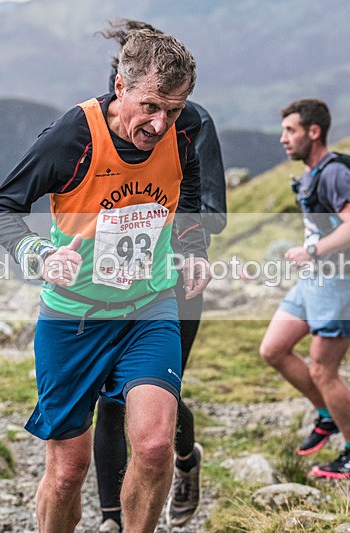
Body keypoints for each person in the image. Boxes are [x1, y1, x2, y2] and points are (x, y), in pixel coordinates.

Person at [0, 28, 210, 533]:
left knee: (153, 448)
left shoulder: (185, 128)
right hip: (75, 316)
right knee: (68, 472)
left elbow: (188, 185)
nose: (160, 123)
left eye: (172, 110)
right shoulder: (73, 137)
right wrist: (38, 253)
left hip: (148, 308)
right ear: (120, 85)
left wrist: (191, 247)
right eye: (150, 106)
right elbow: (0, 208)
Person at [92, 19, 227, 533]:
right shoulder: (102, 118)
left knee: (156, 399)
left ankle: (185, 458)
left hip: (174, 281)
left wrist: (154, 219)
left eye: (164, 107)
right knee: (107, 393)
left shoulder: (194, 123)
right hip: (110, 279)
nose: (150, 121)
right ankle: (110, 520)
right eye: (124, 93)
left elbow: (213, 213)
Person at [259, 98, 350, 479]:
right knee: (274, 349)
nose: (283, 139)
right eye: (283, 131)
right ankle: (326, 415)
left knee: (325, 371)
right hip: (314, 281)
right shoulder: (312, 172)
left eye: (290, 130)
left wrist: (312, 251)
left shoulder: (334, 173)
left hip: (339, 283)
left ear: (314, 132)